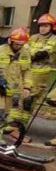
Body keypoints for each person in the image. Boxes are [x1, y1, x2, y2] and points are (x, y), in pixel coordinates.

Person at [0, 27, 31, 138]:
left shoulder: (25, 53)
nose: (19, 46)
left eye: (21, 44)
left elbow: (27, 71)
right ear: (10, 41)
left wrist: (27, 87)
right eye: (17, 44)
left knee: (8, 113)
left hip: (13, 89)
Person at [26, 14, 56, 146]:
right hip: (27, 73)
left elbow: (43, 53)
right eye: (41, 26)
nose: (43, 28)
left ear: (52, 27)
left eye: (46, 25)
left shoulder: (54, 39)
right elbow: (25, 51)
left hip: (41, 75)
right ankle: (18, 128)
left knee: (32, 100)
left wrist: (33, 54)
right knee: (24, 101)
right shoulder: (33, 38)